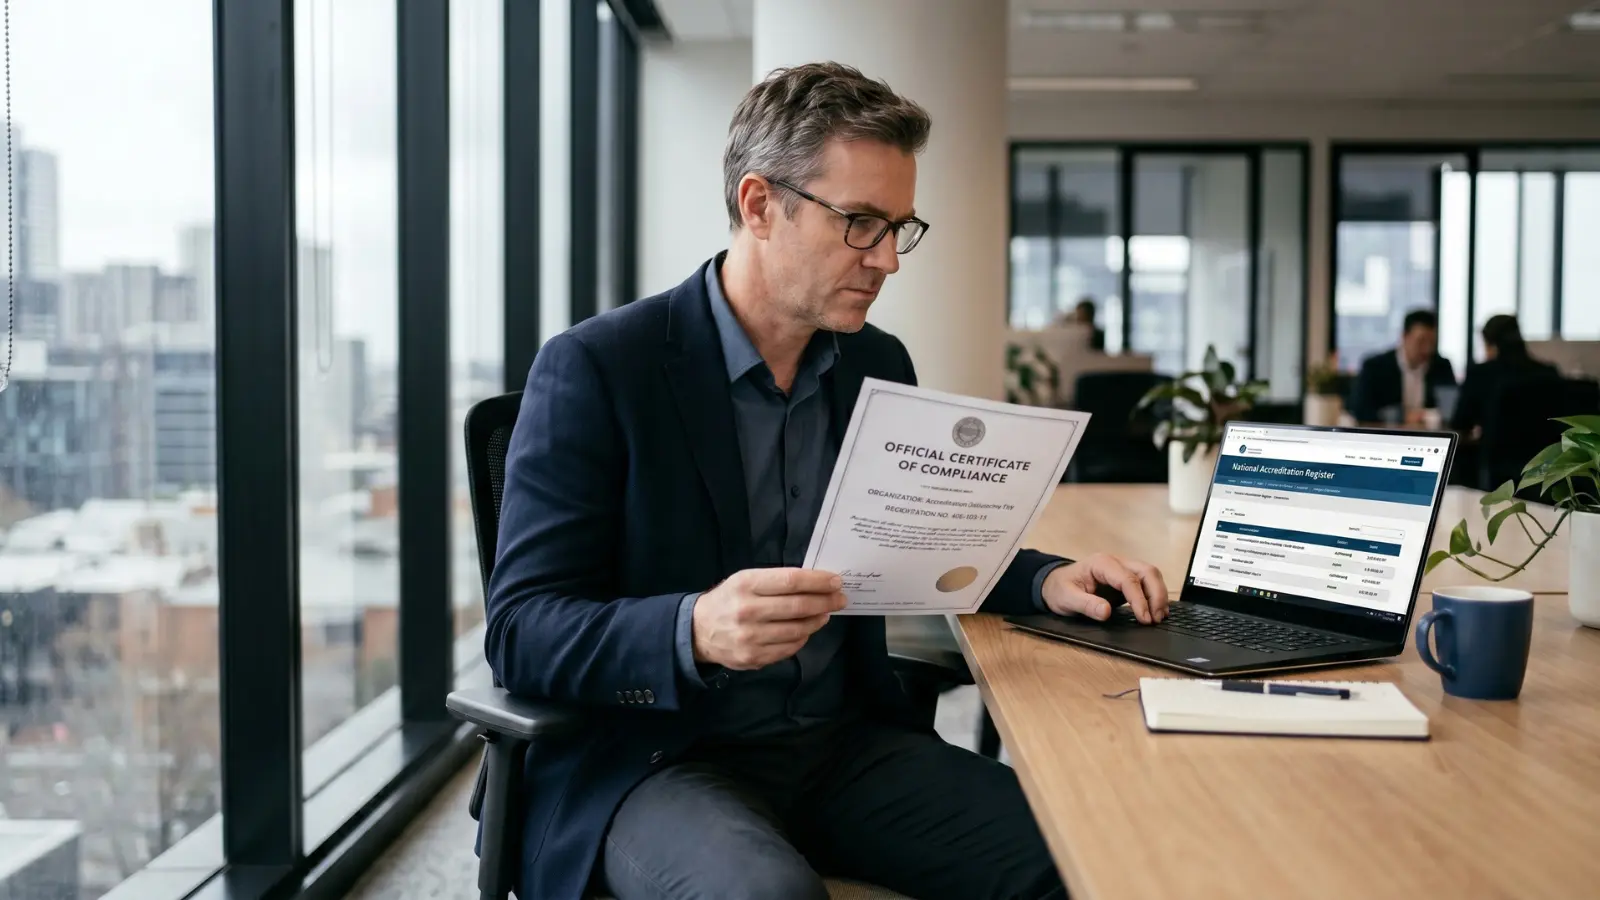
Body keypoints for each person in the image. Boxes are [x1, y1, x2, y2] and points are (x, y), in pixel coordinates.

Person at [487, 62, 1170, 900]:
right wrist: (692, 629)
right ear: (758, 205)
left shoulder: (874, 363)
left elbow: (921, 538)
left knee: (1092, 852)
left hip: (838, 744)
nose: (887, 259)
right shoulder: (599, 368)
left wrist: (1046, 576)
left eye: (900, 227)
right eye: (860, 223)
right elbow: (521, 629)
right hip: (659, 760)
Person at [1449, 314, 1560, 438]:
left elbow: (1460, 423)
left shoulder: (1480, 374)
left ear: (1491, 344)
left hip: (1494, 455)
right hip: (1544, 456)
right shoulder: (1548, 373)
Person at [1347, 309, 1457, 424]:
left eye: (1432, 342)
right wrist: (1401, 416)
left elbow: (1451, 409)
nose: (1427, 349)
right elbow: (1360, 409)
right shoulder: (1375, 367)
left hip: (1431, 437)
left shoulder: (1442, 366)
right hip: (1388, 437)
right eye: (1421, 341)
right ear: (1404, 336)